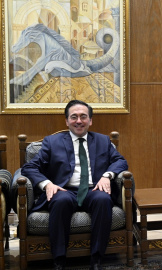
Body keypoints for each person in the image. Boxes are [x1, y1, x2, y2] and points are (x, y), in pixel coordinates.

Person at [22, 100, 128, 270]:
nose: (79, 120)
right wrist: (47, 184)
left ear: (90, 120)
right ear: (67, 121)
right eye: (74, 117)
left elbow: (120, 161)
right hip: (65, 189)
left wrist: (107, 176)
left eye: (83, 116)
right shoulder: (51, 142)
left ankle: (97, 259)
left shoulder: (103, 141)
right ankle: (59, 260)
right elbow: (29, 167)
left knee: (103, 199)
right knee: (60, 200)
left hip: (94, 188)